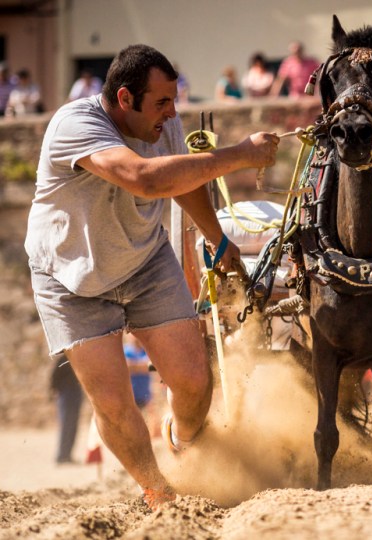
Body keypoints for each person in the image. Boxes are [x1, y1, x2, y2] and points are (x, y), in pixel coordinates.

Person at [25, 44, 279, 511]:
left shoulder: (164, 124)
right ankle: (158, 491)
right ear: (125, 98)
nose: (172, 111)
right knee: (113, 402)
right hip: (69, 278)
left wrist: (219, 244)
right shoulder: (74, 125)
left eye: (173, 99)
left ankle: (181, 442)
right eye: (161, 102)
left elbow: (183, 185)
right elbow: (144, 178)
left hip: (144, 262)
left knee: (193, 382)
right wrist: (240, 154)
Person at [50, 353, 84, 464]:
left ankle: (67, 455)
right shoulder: (64, 360)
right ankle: (62, 455)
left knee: (73, 426)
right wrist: (53, 392)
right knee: (66, 425)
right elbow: (54, 377)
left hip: (75, 393)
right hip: (66, 395)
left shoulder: (79, 358)